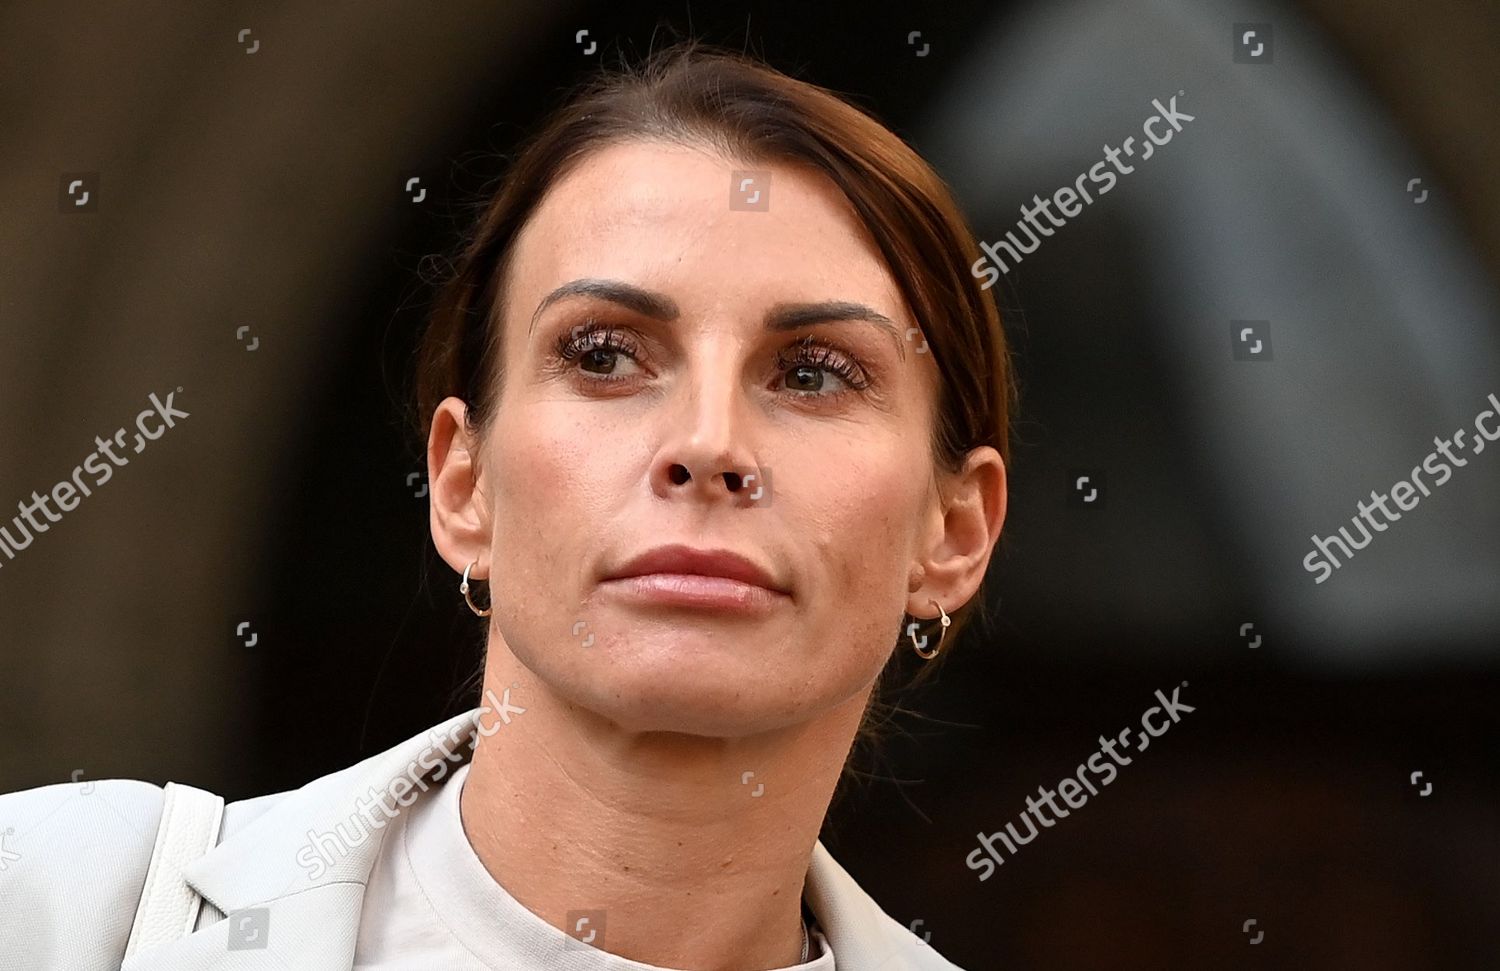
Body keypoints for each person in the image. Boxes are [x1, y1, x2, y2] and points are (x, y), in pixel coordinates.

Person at [0, 40, 1010, 970]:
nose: (708, 443)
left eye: (815, 373)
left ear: (955, 532)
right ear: (463, 483)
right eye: (604, 354)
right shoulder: (52, 906)